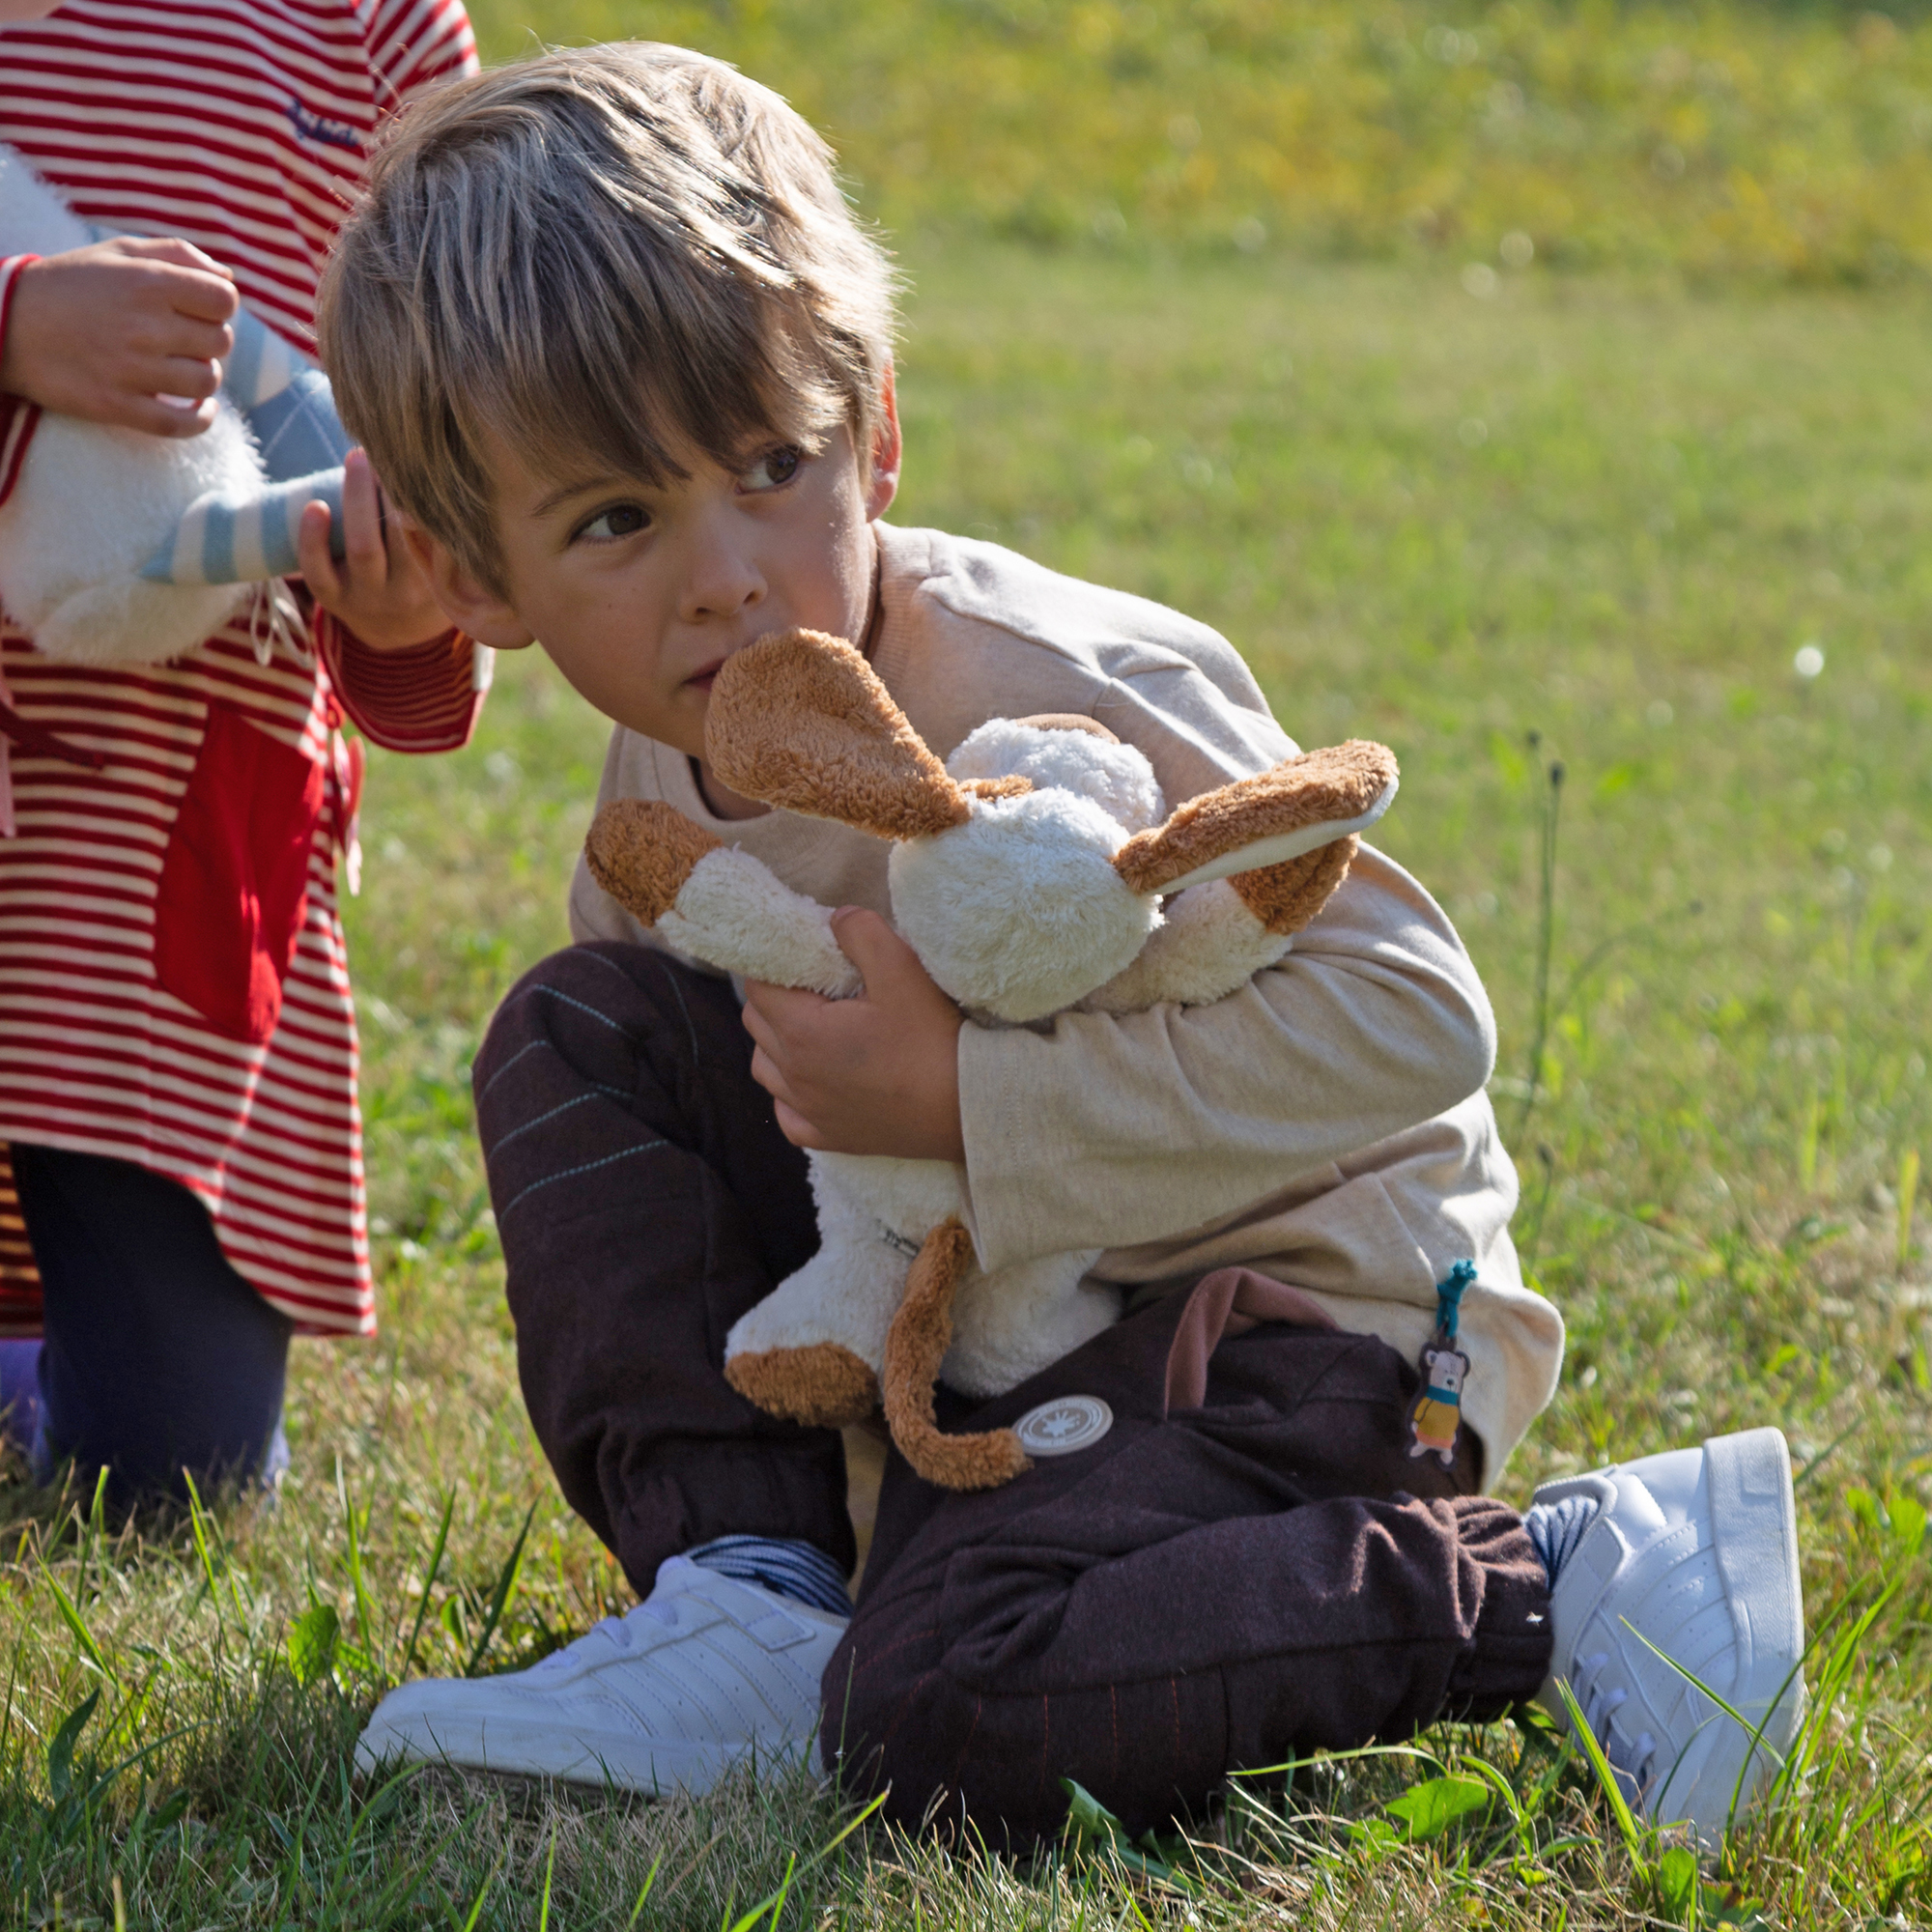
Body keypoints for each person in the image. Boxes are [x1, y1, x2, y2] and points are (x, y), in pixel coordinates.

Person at [327, 44, 1806, 1844]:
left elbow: (1418, 1017)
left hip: (1297, 1335)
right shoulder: (666, 761)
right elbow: (762, 1196)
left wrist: (967, 1090)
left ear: (874, 429)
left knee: (943, 1707)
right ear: (486, 584)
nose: (722, 575)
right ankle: (749, 1599)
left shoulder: (1050, 692)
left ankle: (1558, 1584)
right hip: (1018, 1346)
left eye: (770, 465)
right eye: (616, 521)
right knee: (587, 1028)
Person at [0, 0, 482, 1505]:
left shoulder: (374, 33)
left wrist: (407, 615)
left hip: (161, 869)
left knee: (174, 1484)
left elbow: (460, 437)